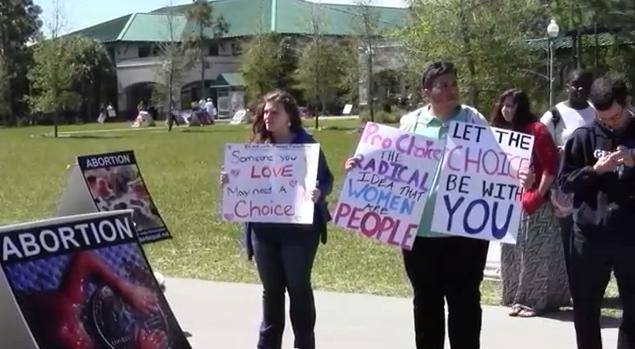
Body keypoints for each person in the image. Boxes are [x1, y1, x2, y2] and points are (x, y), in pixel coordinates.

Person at [346, 61, 489, 348]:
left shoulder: (474, 121)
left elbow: (497, 165)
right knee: (426, 305)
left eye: (453, 83)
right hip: (419, 233)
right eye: (443, 85)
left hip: (465, 234)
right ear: (427, 91)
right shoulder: (410, 123)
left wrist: (520, 173)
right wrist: (361, 166)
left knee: (465, 307)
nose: (451, 90)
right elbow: (391, 165)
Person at [220, 90, 334, 349]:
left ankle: (304, 343)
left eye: (275, 112)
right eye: (266, 112)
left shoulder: (307, 145)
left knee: (298, 287)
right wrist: (229, 180)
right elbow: (245, 184)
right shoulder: (257, 148)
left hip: (300, 232)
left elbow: (326, 179)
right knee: (271, 291)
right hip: (264, 232)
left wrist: (319, 192)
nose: (268, 117)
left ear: (289, 118)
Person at [560, 77, 635, 349]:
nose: (610, 123)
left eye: (614, 117)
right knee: (586, 309)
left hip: (630, 237)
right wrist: (595, 170)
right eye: (603, 118)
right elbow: (565, 183)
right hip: (590, 237)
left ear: (626, 104)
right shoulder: (584, 136)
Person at [491, 88, 569, 317]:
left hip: (537, 203)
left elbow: (550, 167)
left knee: (536, 254)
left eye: (512, 106)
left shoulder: (537, 130)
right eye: (504, 105)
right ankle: (515, 296)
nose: (506, 110)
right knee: (512, 252)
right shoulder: (501, 131)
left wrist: (538, 194)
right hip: (509, 201)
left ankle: (535, 301)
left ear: (521, 107)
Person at [540, 69, 595, 280]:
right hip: (563, 186)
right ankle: (569, 282)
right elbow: (538, 145)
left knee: (588, 236)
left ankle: (586, 280)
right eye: (575, 84)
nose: (580, 89)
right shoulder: (554, 115)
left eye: (585, 85)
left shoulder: (596, 113)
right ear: (567, 86)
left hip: (591, 183)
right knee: (566, 236)